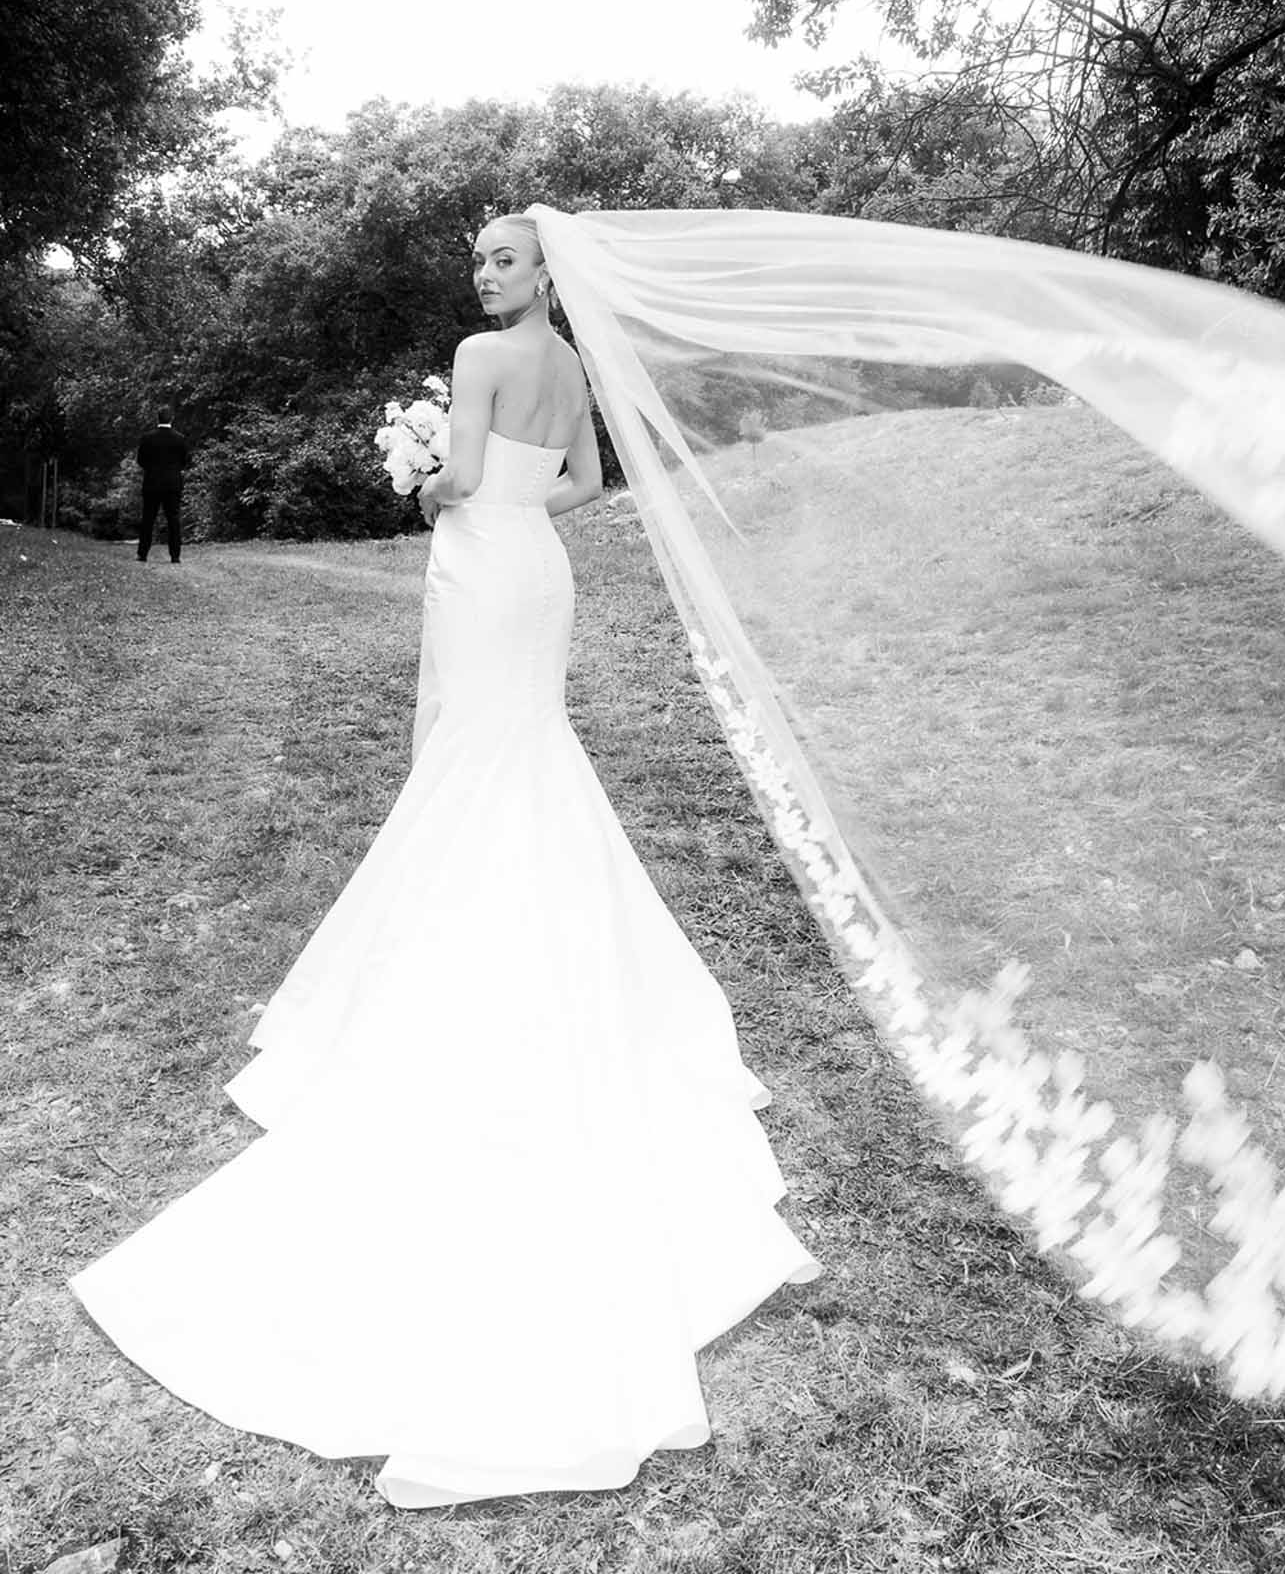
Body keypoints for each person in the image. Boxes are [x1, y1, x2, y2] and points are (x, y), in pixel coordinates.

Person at [71, 212, 819, 1509]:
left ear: (542, 272)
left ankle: (463, 961)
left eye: (504, 261)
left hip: (481, 561)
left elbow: (462, 484)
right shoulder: (576, 369)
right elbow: (581, 486)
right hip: (542, 569)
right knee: (520, 758)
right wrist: (494, 483)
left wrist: (423, 478)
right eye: (481, 261)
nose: (486, 276)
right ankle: (546, 952)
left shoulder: (479, 357)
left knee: (475, 765)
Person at [135, 406, 190, 563]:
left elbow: (141, 460)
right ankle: (175, 555)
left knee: (148, 519)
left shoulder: (147, 438)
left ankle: (143, 553)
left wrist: (152, 470)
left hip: (152, 483)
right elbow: (184, 461)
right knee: (173, 519)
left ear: (157, 419)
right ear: (171, 419)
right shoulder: (180, 438)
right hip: (172, 484)